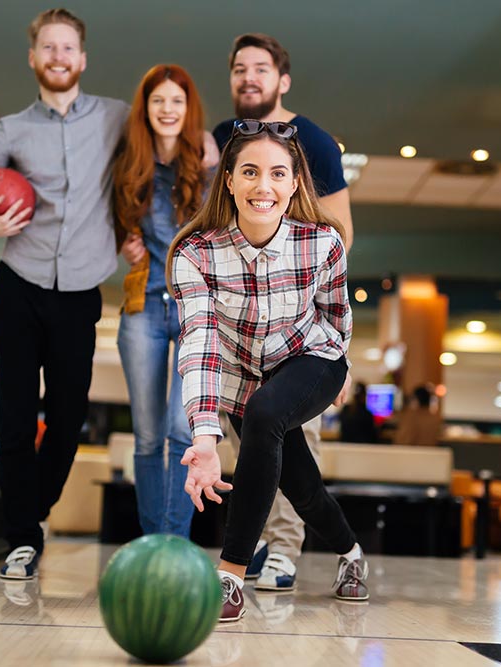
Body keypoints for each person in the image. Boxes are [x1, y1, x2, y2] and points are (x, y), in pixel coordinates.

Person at [0, 8, 129, 580]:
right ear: (33, 58)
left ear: (82, 58)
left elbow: (170, 145)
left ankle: (32, 510)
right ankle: (23, 537)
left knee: (70, 412)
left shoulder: (118, 119)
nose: (57, 56)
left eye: (67, 47)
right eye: (47, 47)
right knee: (18, 416)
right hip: (18, 283)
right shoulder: (9, 130)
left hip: (80, 289)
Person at [168, 119, 369, 623]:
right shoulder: (195, 254)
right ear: (229, 181)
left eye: (279, 174)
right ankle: (352, 556)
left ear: (295, 183)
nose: (265, 186)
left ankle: (230, 576)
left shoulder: (323, 242)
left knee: (264, 412)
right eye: (251, 172)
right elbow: (200, 345)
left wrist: (340, 367)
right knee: (302, 486)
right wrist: (206, 437)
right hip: (241, 376)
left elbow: (335, 314)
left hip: (311, 358)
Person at [211, 32, 355, 592]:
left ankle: (284, 550)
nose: (250, 78)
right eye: (240, 68)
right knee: (255, 438)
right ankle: (269, 543)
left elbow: (339, 234)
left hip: (301, 333)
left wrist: (336, 343)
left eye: (261, 69)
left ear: (282, 80)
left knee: (292, 433)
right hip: (244, 328)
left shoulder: (314, 142)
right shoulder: (226, 139)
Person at [112, 64, 212, 537]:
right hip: (145, 305)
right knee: (149, 436)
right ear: (145, 109)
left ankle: (176, 542)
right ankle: (153, 543)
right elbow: (110, 220)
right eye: (159, 101)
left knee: (182, 430)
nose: (168, 110)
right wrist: (124, 240)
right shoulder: (131, 163)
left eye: (177, 101)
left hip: (196, 310)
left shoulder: (208, 164)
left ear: (189, 109)